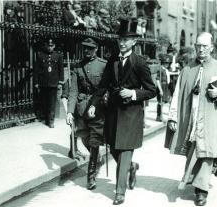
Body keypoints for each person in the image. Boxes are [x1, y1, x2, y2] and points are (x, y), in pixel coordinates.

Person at [165, 32, 217, 206]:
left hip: (212, 118)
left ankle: (201, 190)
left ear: (211, 47)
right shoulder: (186, 70)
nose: (201, 49)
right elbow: (177, 94)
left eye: (205, 46)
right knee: (193, 151)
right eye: (198, 46)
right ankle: (199, 177)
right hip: (191, 119)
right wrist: (173, 116)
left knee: (206, 151)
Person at [88, 18, 156, 205]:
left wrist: (133, 93)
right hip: (113, 113)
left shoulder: (140, 62)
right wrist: (94, 103)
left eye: (126, 39)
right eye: (120, 39)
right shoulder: (113, 60)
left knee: (125, 150)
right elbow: (103, 85)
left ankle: (119, 192)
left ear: (134, 41)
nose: (122, 42)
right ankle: (132, 167)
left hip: (132, 114)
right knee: (115, 149)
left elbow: (152, 90)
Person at [66, 38, 107, 190]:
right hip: (82, 108)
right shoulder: (78, 66)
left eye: (90, 48)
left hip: (97, 109)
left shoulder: (103, 65)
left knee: (94, 141)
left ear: (96, 49)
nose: (87, 51)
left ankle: (91, 176)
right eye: (85, 48)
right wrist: (70, 112)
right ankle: (98, 159)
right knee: (84, 139)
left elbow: (106, 87)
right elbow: (73, 91)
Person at [34, 38, 64, 128]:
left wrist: (60, 82)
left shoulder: (58, 56)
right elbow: (36, 70)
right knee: (44, 101)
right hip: (43, 83)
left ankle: (51, 121)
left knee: (52, 102)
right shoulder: (40, 56)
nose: (50, 47)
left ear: (54, 46)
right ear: (45, 46)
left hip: (53, 83)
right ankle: (46, 118)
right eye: (48, 46)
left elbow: (61, 70)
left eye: (51, 46)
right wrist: (36, 82)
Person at [156, 54, 172, 121]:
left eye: (168, 63)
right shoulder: (160, 70)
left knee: (166, 101)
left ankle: (162, 116)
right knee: (160, 102)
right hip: (161, 87)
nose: (167, 65)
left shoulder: (166, 70)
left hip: (166, 87)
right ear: (163, 63)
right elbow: (157, 80)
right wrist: (160, 90)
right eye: (166, 63)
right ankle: (159, 117)